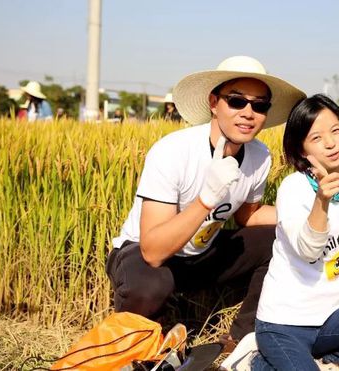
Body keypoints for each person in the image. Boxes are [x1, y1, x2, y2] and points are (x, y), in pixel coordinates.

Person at [105, 56, 305, 350]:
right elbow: (153, 251)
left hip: (201, 253)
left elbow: (247, 217)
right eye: (237, 101)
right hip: (142, 255)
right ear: (214, 102)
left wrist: (307, 209)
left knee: (280, 238)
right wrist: (206, 199)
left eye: (259, 105)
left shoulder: (260, 156)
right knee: (151, 285)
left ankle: (242, 338)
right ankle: (147, 343)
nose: (249, 113)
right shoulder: (173, 151)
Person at [223, 94, 339, 371]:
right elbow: (308, 250)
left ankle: (331, 359)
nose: (331, 143)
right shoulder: (294, 188)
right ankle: (252, 361)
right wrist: (321, 201)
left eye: (335, 131)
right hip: (282, 323)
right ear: (302, 148)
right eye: (317, 138)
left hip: (330, 323)